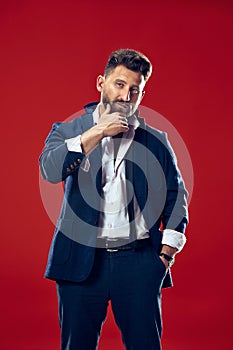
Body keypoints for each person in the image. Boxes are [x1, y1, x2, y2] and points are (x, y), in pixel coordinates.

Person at [39, 49, 188, 350]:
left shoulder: (156, 140)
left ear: (142, 94)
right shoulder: (68, 131)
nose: (126, 95)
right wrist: (96, 133)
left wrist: (165, 257)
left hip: (138, 262)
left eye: (135, 90)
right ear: (100, 83)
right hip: (79, 263)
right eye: (119, 84)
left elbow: (176, 196)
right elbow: (50, 169)